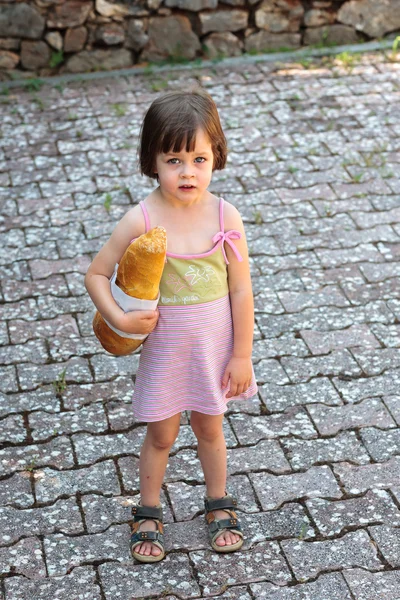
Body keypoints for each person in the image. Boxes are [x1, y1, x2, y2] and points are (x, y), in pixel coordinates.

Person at [85, 87, 258, 563]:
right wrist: (118, 317)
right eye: (174, 160)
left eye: (199, 159)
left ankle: (218, 504)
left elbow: (241, 290)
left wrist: (241, 354)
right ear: (152, 161)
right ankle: (147, 508)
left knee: (210, 429)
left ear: (216, 157)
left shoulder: (226, 216)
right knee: (161, 435)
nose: (187, 172)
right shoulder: (141, 218)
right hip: (164, 352)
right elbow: (96, 274)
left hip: (213, 352)